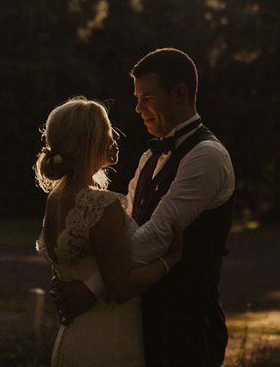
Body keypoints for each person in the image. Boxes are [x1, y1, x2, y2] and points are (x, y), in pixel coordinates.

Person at [55, 48, 236, 367]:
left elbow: (157, 235)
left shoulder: (207, 157)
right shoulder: (148, 159)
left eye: (147, 98)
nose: (138, 108)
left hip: (186, 330)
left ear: (179, 94)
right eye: (137, 98)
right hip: (138, 322)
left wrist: (90, 288)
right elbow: (124, 234)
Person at [35, 97, 183, 366]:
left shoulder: (55, 198)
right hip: (109, 341)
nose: (115, 135)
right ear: (88, 141)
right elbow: (120, 287)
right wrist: (169, 261)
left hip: (73, 337)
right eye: (107, 129)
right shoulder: (103, 205)